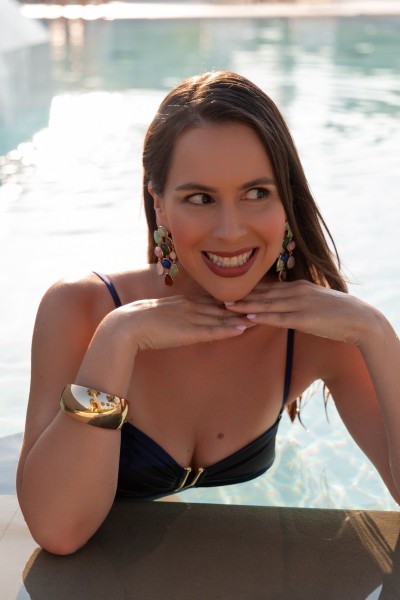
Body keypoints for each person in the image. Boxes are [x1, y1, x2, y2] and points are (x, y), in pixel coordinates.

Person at [17, 71, 400, 555]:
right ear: (160, 206)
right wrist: (117, 338)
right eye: (200, 198)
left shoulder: (317, 332)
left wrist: (377, 333)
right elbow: (58, 530)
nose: (230, 231)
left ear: (287, 200)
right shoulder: (82, 309)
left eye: (257, 193)